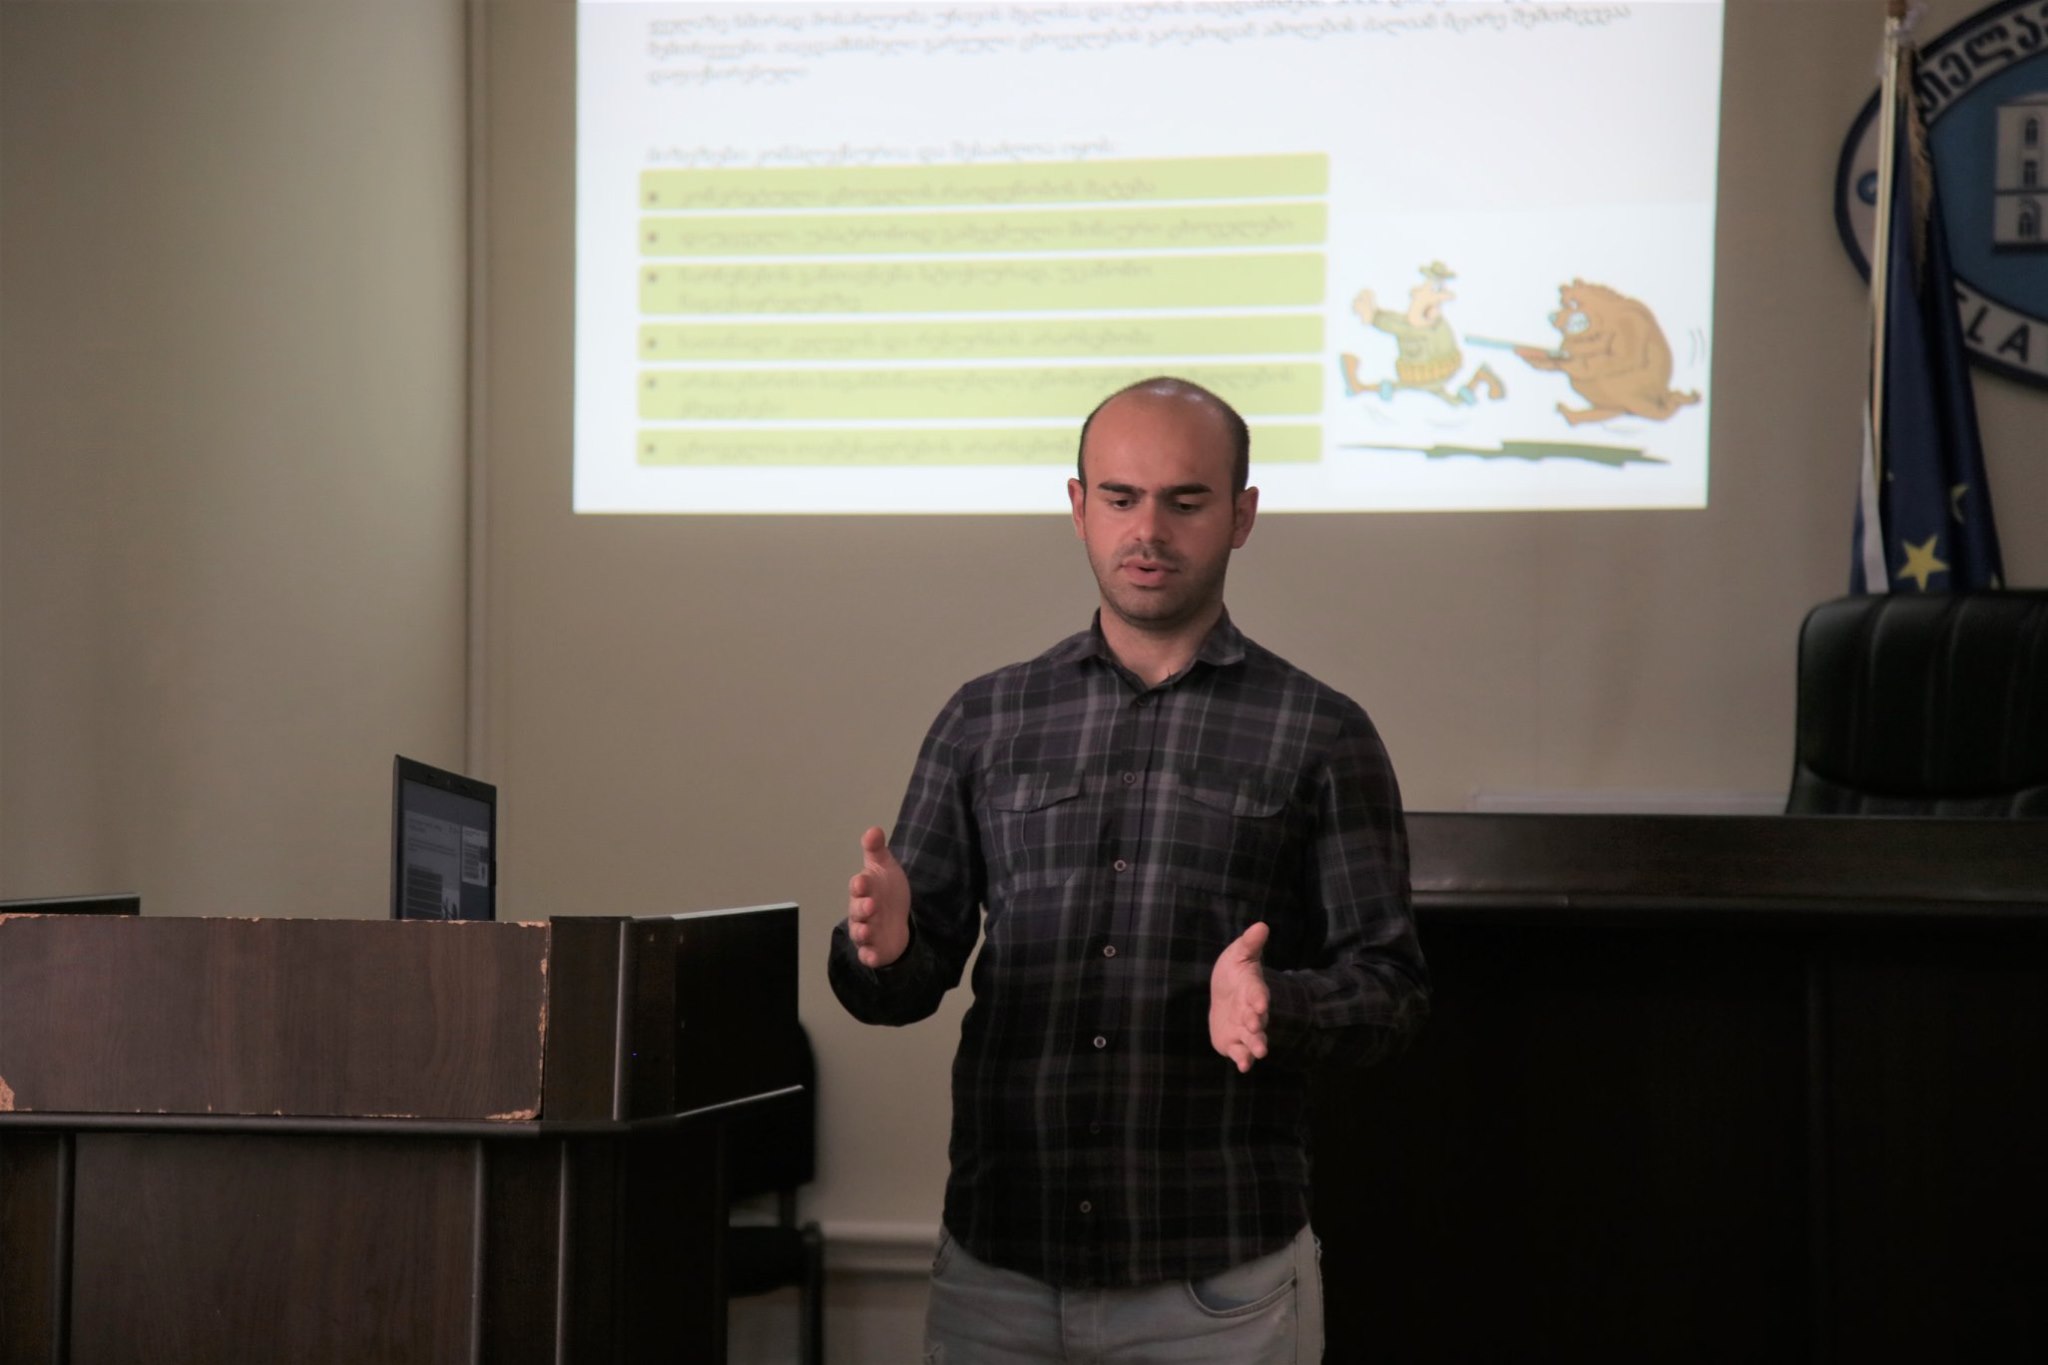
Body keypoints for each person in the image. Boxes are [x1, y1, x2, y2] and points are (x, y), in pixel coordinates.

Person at [829, 376, 1429, 1364]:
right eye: (1119, 497)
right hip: (998, 1273)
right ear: (1078, 508)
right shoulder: (985, 719)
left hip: (1215, 1284)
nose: (1147, 530)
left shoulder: (1321, 732)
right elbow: (896, 988)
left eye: (1184, 501)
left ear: (1241, 516)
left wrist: (1275, 1003)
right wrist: (886, 950)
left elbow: (1391, 990)